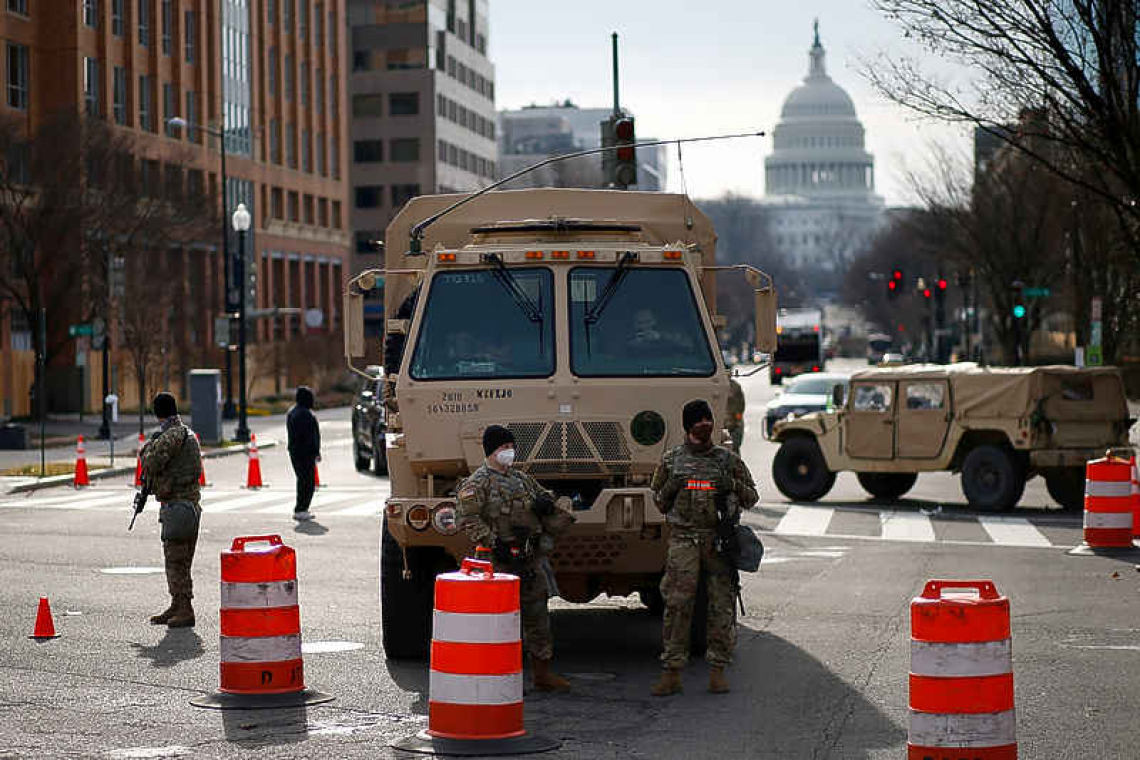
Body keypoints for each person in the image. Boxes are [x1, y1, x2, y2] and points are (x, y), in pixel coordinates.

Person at [649, 399, 758, 696]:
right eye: (698, 420)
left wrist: (730, 484)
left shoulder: (727, 461)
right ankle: (672, 672)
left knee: (721, 605)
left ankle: (718, 670)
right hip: (683, 541)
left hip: (717, 542)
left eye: (707, 419)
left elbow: (751, 498)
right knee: (677, 605)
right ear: (688, 426)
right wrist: (674, 484)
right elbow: (658, 501)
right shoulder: (671, 460)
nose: (705, 424)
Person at [457, 425, 575, 691]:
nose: (509, 452)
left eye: (511, 447)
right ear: (491, 451)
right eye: (504, 448)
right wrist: (492, 541)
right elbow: (466, 517)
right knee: (498, 623)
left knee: (538, 618)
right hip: (497, 562)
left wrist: (544, 503)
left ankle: (542, 673)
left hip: (528, 559)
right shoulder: (478, 483)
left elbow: (545, 496)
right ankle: (496, 678)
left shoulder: (521, 479)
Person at [140, 392, 203, 628]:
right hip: (189, 507)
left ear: (158, 413)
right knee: (180, 561)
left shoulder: (170, 436)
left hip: (178, 507)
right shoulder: (187, 433)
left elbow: (151, 463)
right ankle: (177, 605)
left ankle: (184, 609)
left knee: (176, 562)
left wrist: (148, 447)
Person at [287, 386, 321, 521]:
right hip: (305, 453)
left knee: (302, 480)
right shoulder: (306, 414)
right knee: (307, 482)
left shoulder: (292, 412)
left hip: (295, 451)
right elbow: (311, 436)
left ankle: (301, 508)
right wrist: (316, 451)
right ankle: (301, 508)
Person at [727, 378, 745, 453]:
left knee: (734, 449)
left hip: (732, 424)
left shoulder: (735, 386)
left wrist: (737, 420)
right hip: (721, 423)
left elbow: (740, 405)